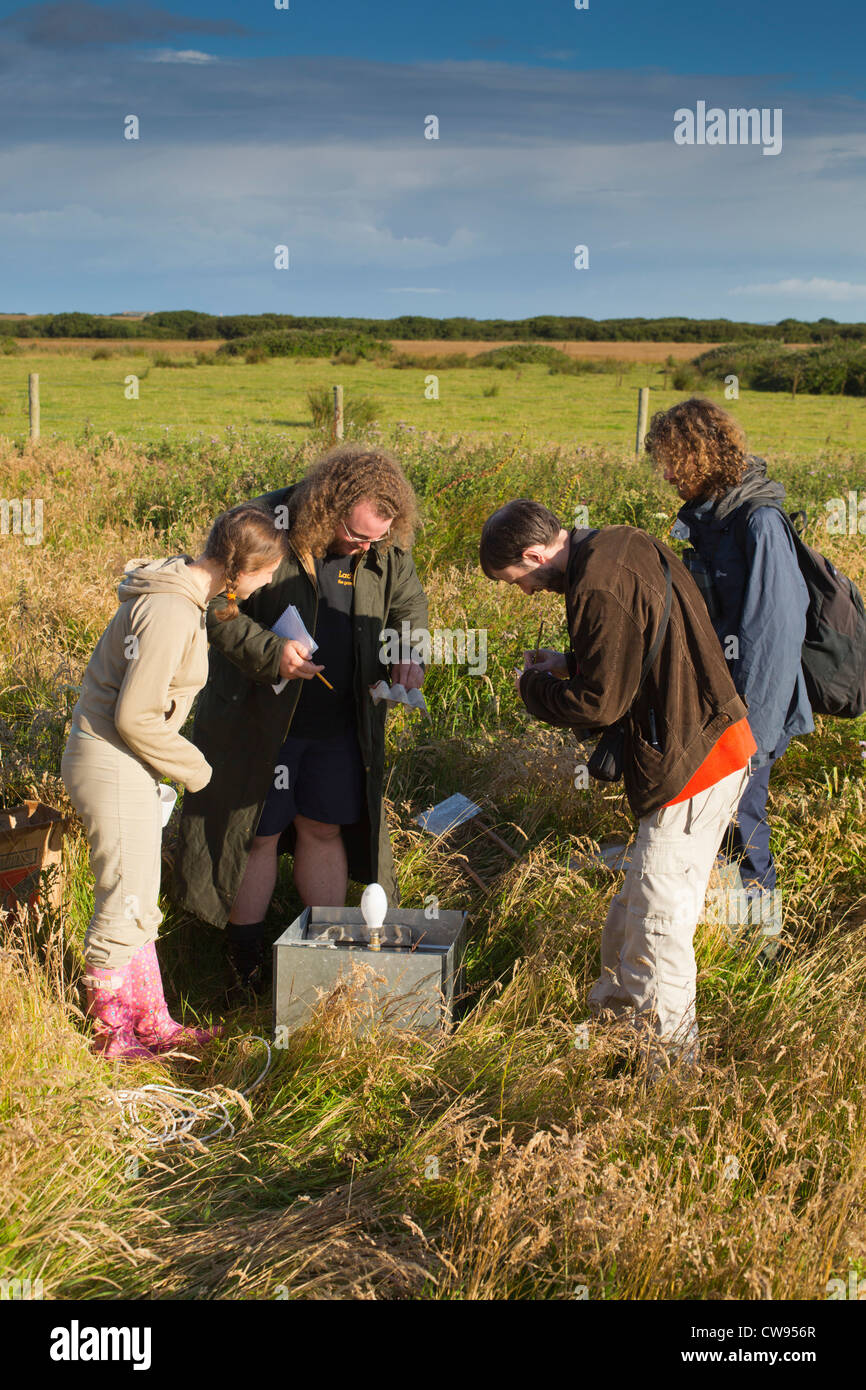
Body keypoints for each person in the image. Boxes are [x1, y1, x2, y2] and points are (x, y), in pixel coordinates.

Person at [479, 499, 757, 1067]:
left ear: (535, 553)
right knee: (630, 914)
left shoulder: (596, 585)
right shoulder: (618, 543)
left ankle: (669, 1072)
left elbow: (600, 705)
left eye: (521, 579)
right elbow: (638, 644)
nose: (527, 591)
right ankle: (615, 1038)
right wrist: (568, 661)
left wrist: (534, 689)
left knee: (659, 927)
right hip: (708, 742)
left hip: (691, 763)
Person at [173, 443, 428, 992]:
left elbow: (409, 604)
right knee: (257, 832)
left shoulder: (382, 546)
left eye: (375, 539)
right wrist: (271, 653)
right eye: (357, 535)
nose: (364, 546)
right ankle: (245, 963)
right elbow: (213, 604)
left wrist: (410, 648)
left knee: (323, 826)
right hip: (261, 721)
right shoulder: (262, 523)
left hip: (340, 723)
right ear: (327, 503)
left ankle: (323, 953)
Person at [62, 503, 286, 1060]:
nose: (265, 587)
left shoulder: (183, 599)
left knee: (141, 899)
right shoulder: (169, 611)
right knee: (123, 902)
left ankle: (151, 1023)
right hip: (112, 761)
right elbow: (135, 716)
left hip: (128, 762)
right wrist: (198, 771)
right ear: (240, 566)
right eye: (264, 575)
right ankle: (113, 1038)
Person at [646, 398, 813, 915]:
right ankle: (722, 938)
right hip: (718, 712)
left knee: (743, 835)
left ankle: (762, 952)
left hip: (746, 720)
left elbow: (774, 637)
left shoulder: (758, 523)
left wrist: (751, 742)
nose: (668, 474)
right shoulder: (712, 521)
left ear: (703, 455)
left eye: (674, 460)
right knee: (716, 833)